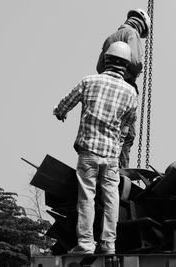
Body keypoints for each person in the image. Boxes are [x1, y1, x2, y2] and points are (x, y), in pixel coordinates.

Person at [53, 41, 138, 255]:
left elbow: (65, 103)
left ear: (106, 60)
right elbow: (127, 127)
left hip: (89, 153)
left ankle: (86, 244)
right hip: (111, 156)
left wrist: (60, 112)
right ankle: (109, 245)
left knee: (87, 198)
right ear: (126, 65)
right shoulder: (130, 92)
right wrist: (117, 145)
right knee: (111, 200)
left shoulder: (89, 81)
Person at [96, 8, 151, 168]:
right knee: (127, 135)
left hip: (106, 88)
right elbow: (134, 62)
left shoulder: (110, 38)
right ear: (142, 26)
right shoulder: (131, 34)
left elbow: (99, 67)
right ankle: (120, 172)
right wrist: (137, 69)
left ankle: (103, 167)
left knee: (108, 128)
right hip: (125, 87)